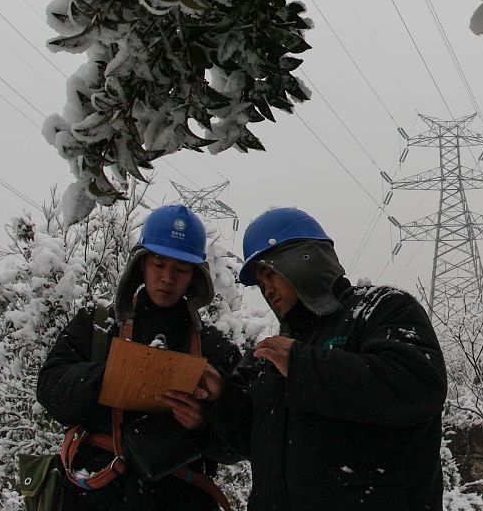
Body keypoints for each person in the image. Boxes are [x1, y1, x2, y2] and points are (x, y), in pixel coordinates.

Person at [165, 207, 448, 511]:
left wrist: (303, 367)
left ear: (306, 259)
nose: (267, 289)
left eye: (271, 272)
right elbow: (248, 442)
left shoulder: (380, 309)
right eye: (260, 282)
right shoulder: (270, 355)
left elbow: (417, 384)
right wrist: (217, 404)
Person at [37, 204, 240, 511]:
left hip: (181, 499)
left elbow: (239, 443)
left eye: (181, 269)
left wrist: (203, 422)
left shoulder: (215, 348)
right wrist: (106, 378)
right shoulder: (97, 326)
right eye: (159, 265)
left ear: (195, 277)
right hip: (94, 497)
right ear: (141, 265)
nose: (168, 278)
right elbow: (49, 389)